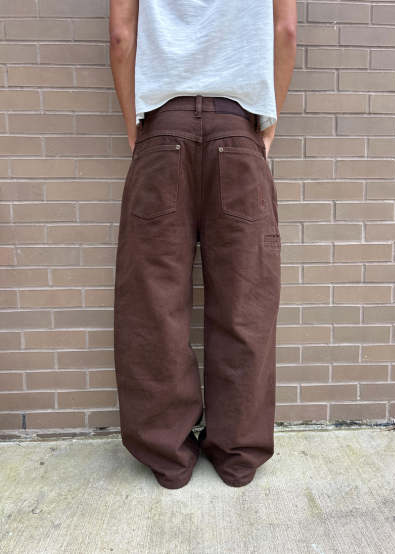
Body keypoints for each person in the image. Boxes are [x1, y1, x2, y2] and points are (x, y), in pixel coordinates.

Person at [110, 0, 297, 489]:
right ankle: (238, 456)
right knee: (245, 303)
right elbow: (285, 31)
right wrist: (266, 128)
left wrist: (136, 132)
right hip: (238, 130)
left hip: (161, 130)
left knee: (154, 306)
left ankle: (168, 458)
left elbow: (121, 37)